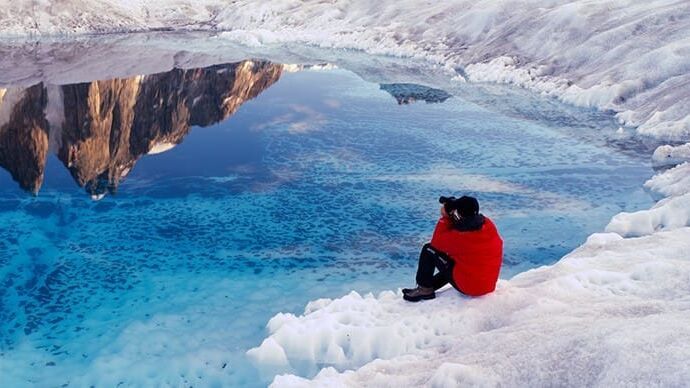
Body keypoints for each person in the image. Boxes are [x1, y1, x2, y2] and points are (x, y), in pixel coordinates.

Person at [403, 195, 503, 302]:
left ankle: (424, 289)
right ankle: (431, 285)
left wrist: (446, 216)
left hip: (471, 288)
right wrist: (455, 212)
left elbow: (436, 243)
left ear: (458, 214)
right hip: (487, 284)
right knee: (452, 259)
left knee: (428, 250)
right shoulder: (488, 224)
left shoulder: (460, 236)